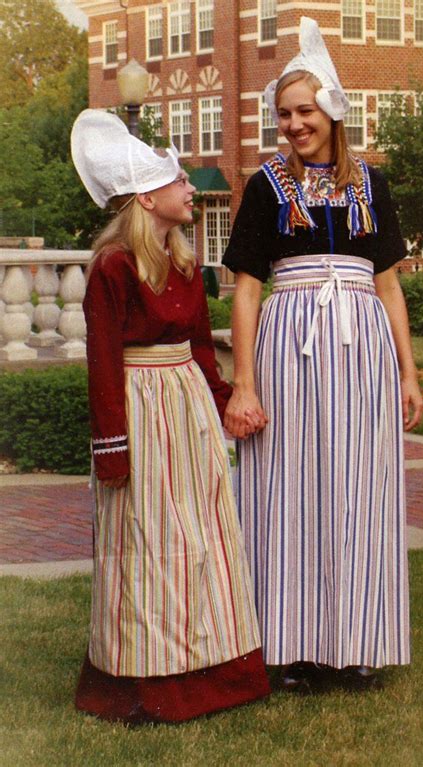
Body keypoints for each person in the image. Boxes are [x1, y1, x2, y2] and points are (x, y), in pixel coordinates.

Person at [222, 17, 423, 689]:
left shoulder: (373, 185)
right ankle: (294, 644)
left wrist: (408, 372)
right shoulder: (264, 187)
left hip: (361, 344)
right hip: (291, 346)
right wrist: (245, 383)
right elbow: (246, 291)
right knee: (290, 486)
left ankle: (358, 640)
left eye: (304, 110)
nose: (293, 124)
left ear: (332, 110)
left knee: (361, 486)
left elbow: (390, 284)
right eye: (284, 114)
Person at [70, 109, 269, 723]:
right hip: (141, 405)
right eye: (180, 183)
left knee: (202, 533)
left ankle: (212, 664)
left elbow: (203, 349)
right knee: (148, 537)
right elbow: (103, 363)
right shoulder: (113, 267)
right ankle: (146, 672)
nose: (190, 191)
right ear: (148, 196)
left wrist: (222, 401)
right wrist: (113, 448)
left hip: (184, 407)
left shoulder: (185, 264)